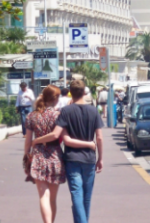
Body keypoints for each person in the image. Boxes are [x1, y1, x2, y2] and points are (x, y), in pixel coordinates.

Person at [33, 80, 103, 223]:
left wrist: (35, 141)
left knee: (76, 194)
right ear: (84, 92)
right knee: (87, 196)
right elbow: (100, 138)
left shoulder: (65, 111)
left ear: (71, 92)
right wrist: (100, 158)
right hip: (89, 159)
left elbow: (64, 138)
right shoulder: (93, 111)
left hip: (72, 159)